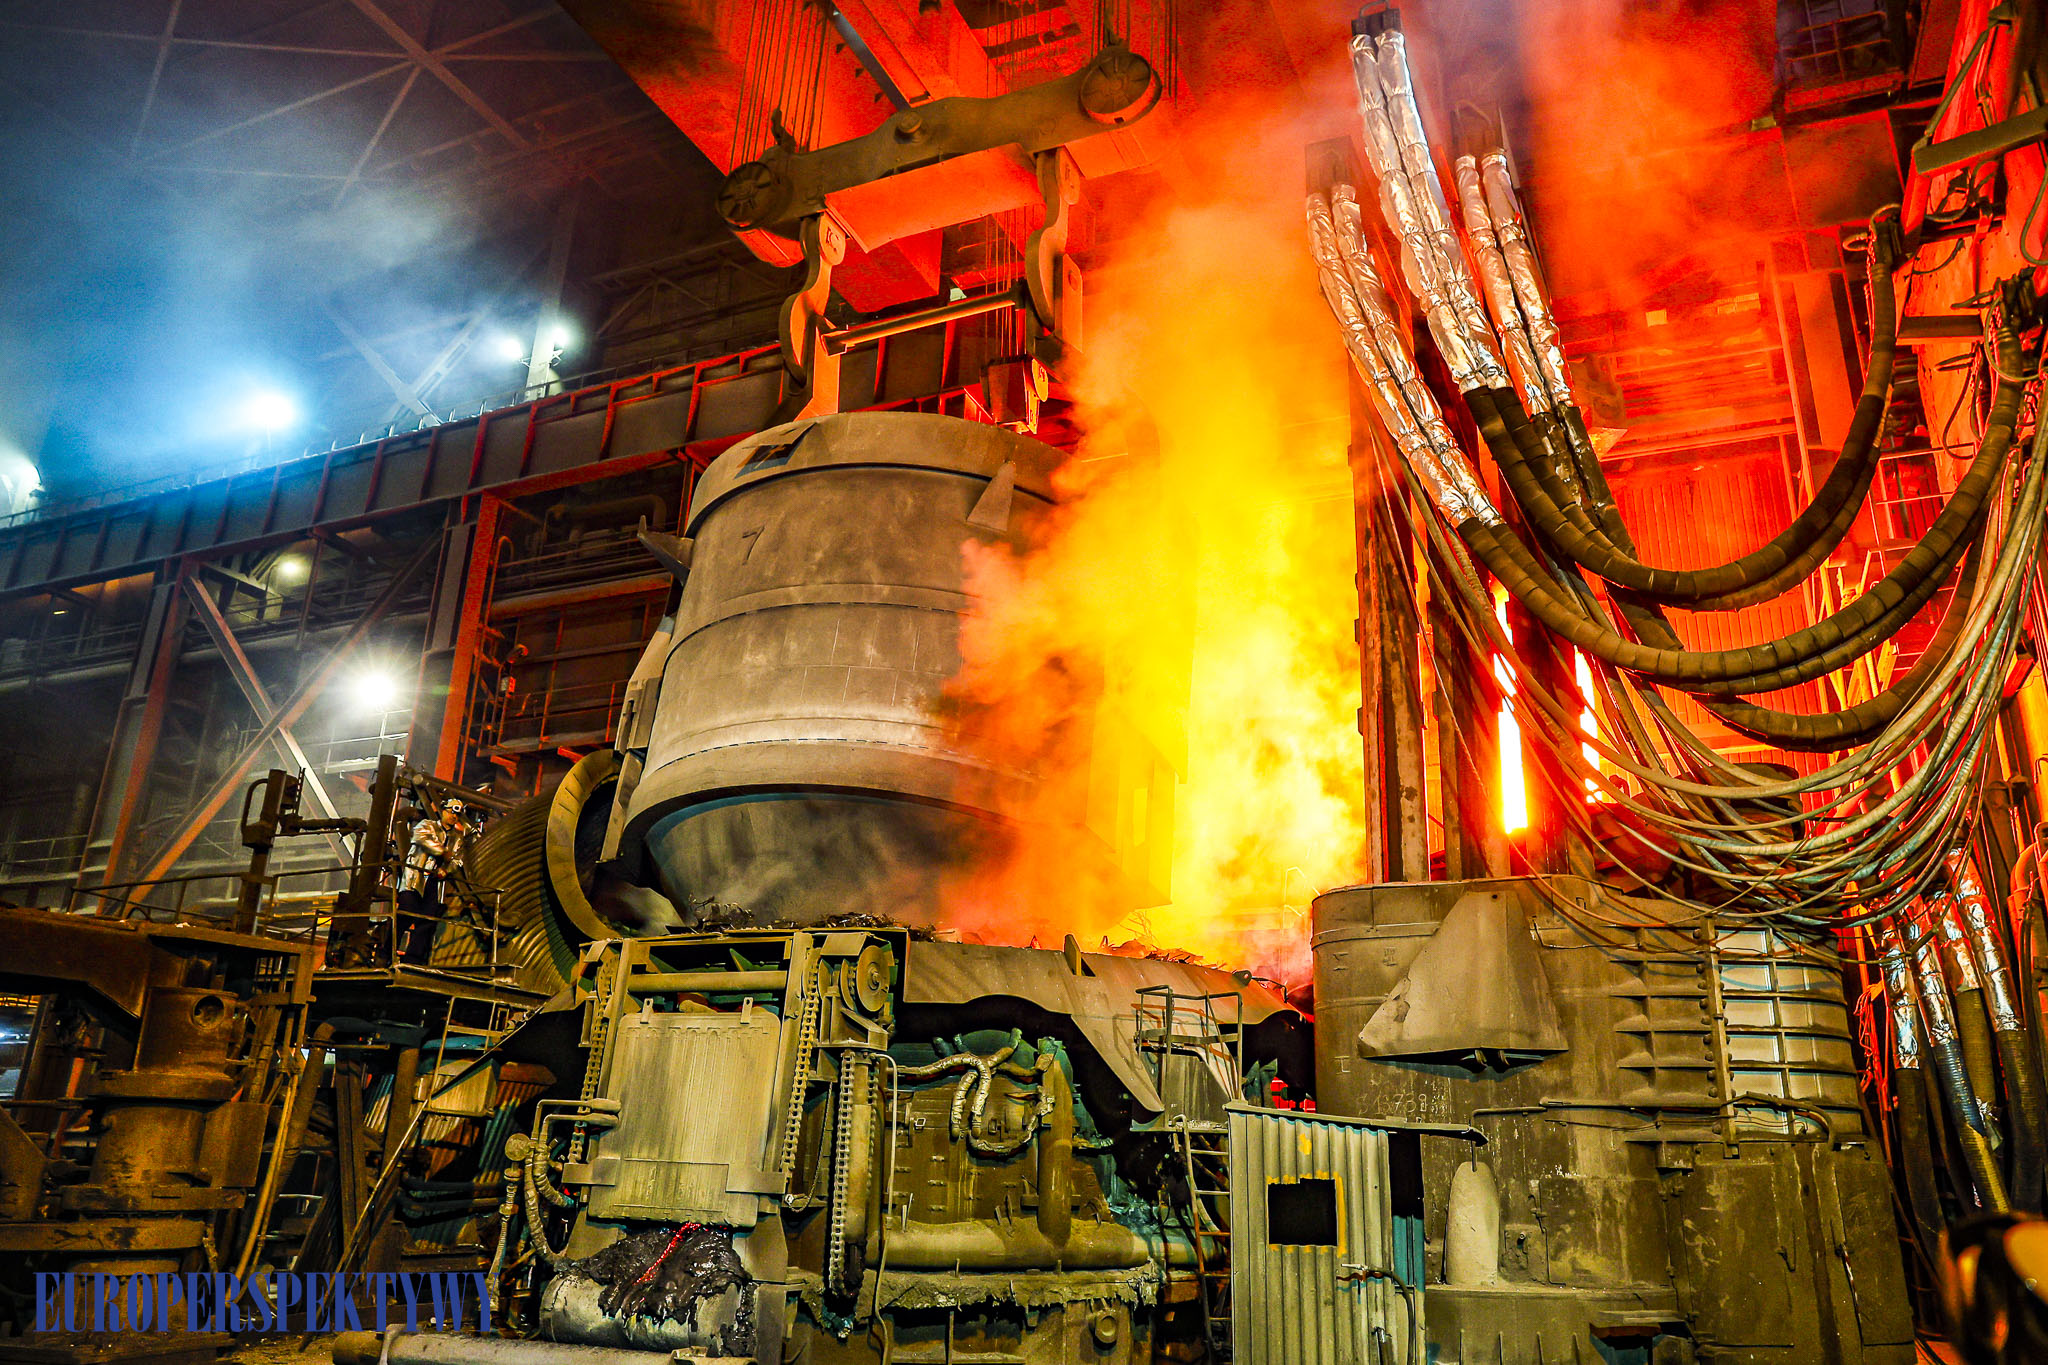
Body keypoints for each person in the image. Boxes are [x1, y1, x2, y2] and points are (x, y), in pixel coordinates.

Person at [395, 798, 466, 963]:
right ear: (443, 811)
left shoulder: (457, 838)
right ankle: (385, 955)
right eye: (451, 812)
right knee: (405, 915)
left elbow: (456, 860)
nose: (454, 816)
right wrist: (442, 852)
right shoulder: (426, 825)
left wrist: (445, 870)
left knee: (428, 920)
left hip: (433, 883)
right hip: (415, 880)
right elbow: (421, 839)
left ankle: (413, 959)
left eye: (457, 814)